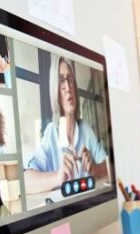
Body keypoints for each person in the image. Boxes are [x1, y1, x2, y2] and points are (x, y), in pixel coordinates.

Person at [24, 55, 108, 194]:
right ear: (55, 90)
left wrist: (94, 169)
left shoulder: (85, 129)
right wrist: (57, 177)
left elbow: (108, 166)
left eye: (70, 79)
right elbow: (26, 182)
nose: (68, 87)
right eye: (61, 81)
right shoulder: (52, 132)